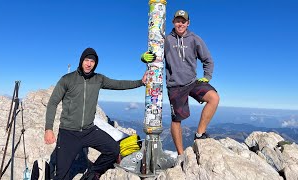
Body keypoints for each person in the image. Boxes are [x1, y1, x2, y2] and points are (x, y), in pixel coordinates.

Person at [44, 47, 147, 179]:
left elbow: (118, 84)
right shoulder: (67, 79)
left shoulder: (98, 79)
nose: (89, 64)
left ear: (95, 64)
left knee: (113, 150)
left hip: (89, 130)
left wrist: (140, 82)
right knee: (62, 175)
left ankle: (91, 174)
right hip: (69, 133)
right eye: (86, 60)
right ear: (81, 61)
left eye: (92, 61)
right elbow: (53, 102)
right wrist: (48, 128)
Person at [141, 10, 220, 166]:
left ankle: (199, 134)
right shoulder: (167, 40)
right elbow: (154, 56)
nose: (180, 24)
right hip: (175, 85)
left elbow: (208, 60)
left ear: (188, 23)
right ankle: (180, 155)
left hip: (192, 82)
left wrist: (207, 76)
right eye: (178, 21)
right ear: (173, 22)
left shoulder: (195, 39)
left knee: (214, 98)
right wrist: (144, 58)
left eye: (183, 21)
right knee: (176, 120)